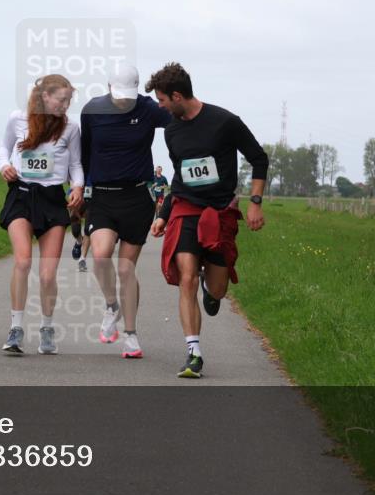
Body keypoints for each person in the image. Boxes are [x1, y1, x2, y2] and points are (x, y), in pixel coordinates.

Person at [147, 62, 268, 379]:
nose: (159, 107)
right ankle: (193, 353)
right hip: (186, 207)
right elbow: (179, 176)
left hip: (219, 211)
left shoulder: (225, 122)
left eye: (161, 100)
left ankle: (210, 290)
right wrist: (163, 214)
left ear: (177, 95)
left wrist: (255, 203)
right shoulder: (171, 131)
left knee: (217, 288)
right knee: (185, 274)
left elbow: (259, 158)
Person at [80, 63, 172, 358]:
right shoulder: (92, 111)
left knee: (126, 268)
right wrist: (80, 188)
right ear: (108, 87)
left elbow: (181, 119)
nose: (124, 101)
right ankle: (111, 306)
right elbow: (84, 152)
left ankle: (131, 336)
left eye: (129, 96)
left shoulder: (147, 109)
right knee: (100, 254)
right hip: (103, 196)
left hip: (136, 197)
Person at [0, 75, 84, 355]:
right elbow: (3, 148)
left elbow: (76, 164)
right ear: (45, 96)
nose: (66, 105)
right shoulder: (17, 118)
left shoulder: (71, 127)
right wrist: (4, 165)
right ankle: (16, 329)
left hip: (52, 200)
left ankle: (47, 328)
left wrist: (78, 186)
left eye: (69, 100)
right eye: (62, 99)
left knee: (47, 275)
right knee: (22, 262)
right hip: (21, 195)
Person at [69, 193, 91, 273]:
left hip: (93, 195)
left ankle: (82, 259)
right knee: (75, 230)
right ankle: (79, 241)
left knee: (88, 227)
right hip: (77, 195)